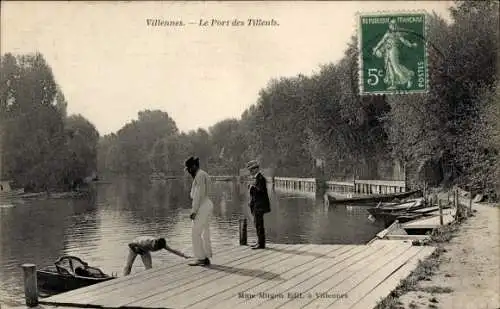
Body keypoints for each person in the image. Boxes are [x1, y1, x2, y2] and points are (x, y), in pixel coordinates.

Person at [372, 18, 417, 90]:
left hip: (393, 51)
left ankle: (408, 79)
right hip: (387, 52)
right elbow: (381, 42)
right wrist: (376, 49)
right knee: (390, 68)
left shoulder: (398, 33)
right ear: (389, 25)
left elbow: (404, 41)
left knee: (396, 67)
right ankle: (393, 84)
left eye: (395, 24)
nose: (394, 26)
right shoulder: (387, 34)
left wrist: (411, 45)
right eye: (392, 24)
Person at [185, 156, 214, 266]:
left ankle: (201, 258)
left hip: (202, 205)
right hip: (207, 204)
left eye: (189, 168)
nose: (188, 171)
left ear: (193, 167)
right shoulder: (204, 174)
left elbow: (198, 195)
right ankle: (205, 256)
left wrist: (194, 211)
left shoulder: (199, 176)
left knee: (195, 233)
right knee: (205, 232)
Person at [123, 236, 189, 276]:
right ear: (155, 243)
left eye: (159, 248)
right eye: (156, 247)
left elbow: (173, 251)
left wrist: (184, 256)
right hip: (135, 247)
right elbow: (130, 244)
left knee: (149, 268)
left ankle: (148, 279)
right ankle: (124, 277)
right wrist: (137, 250)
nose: (157, 249)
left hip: (145, 250)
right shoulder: (145, 242)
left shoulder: (162, 245)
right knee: (129, 265)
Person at [246, 160, 271, 249]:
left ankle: (261, 244)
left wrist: (253, 187)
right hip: (256, 205)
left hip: (259, 206)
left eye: (252, 170)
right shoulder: (256, 179)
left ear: (256, 169)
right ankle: (259, 242)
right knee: (257, 224)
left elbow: (261, 191)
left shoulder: (261, 178)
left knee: (259, 224)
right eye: (250, 170)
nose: (251, 172)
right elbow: (255, 193)